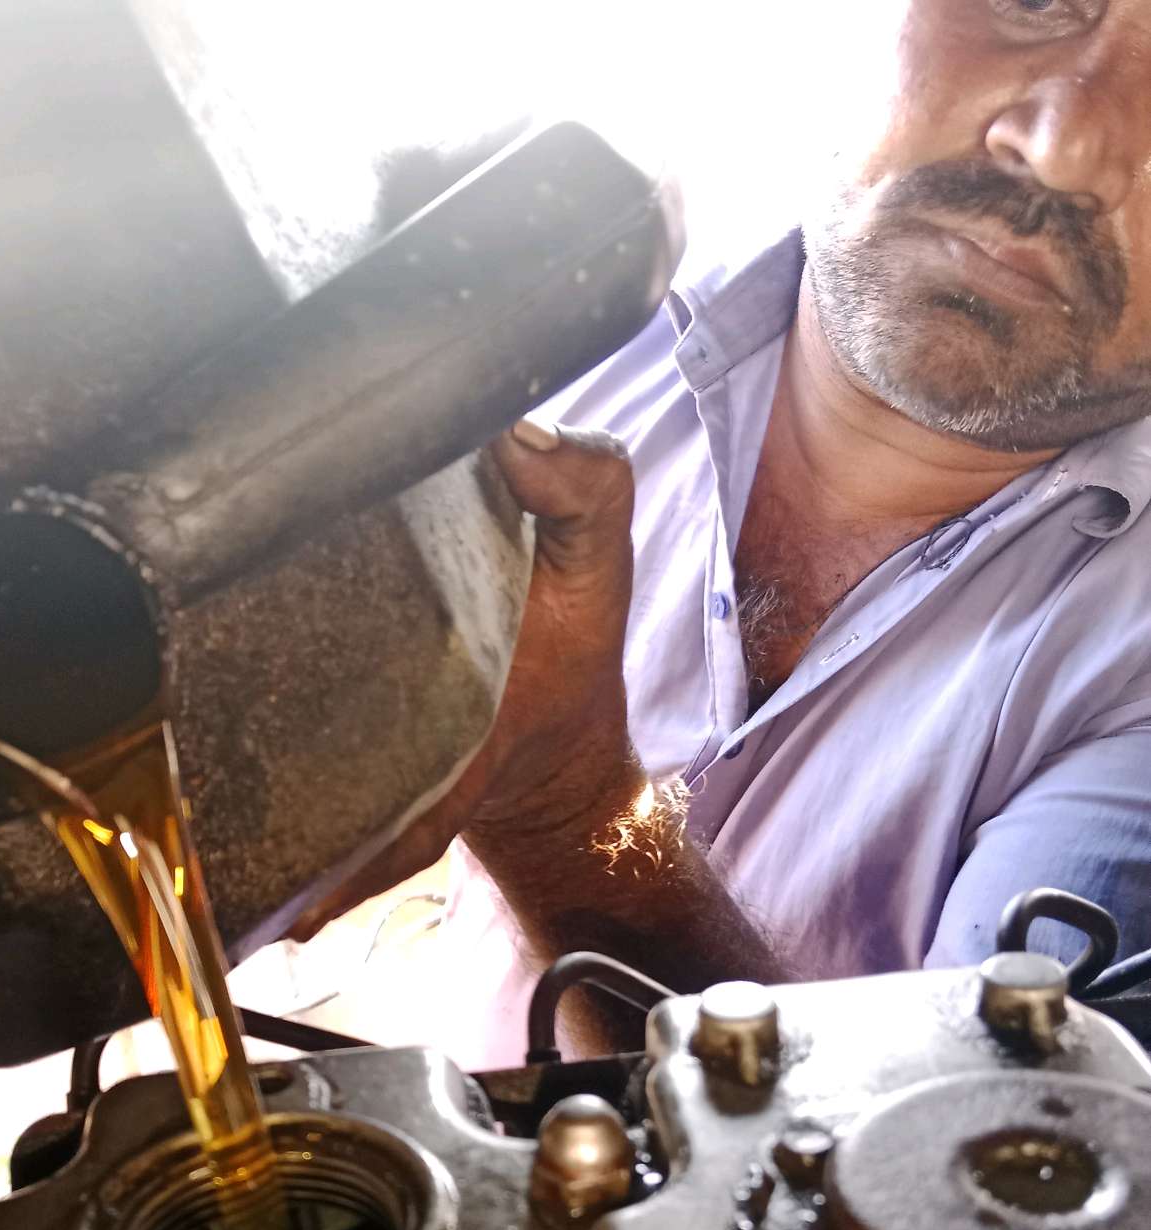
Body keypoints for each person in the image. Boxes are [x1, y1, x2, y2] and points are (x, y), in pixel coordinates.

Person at [297, 0, 1151, 1062]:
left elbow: (971, 1143)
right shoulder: (561, 294)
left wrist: (562, 804)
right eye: (1035, 0)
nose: (1062, 145)